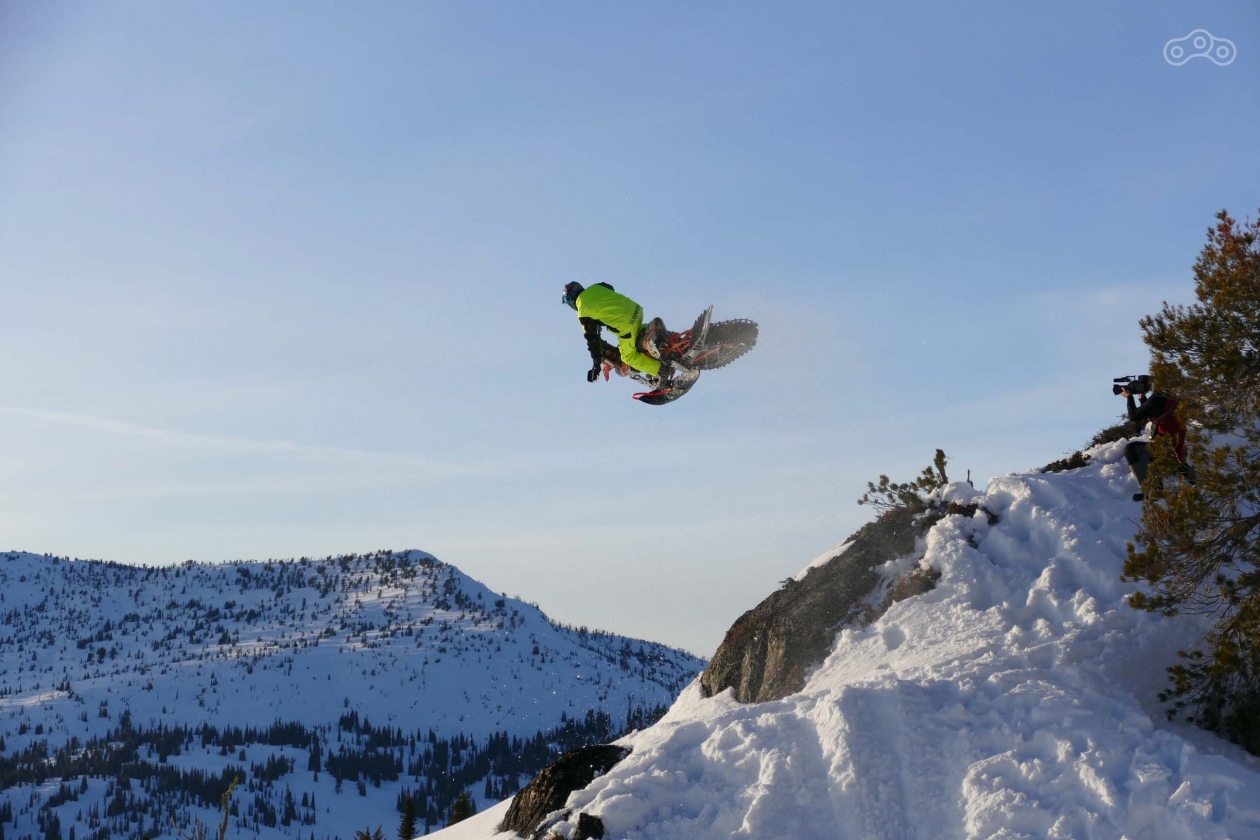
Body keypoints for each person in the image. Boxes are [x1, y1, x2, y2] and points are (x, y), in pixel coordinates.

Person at [561, 282, 676, 386]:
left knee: (628, 357)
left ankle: (661, 371)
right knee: (638, 336)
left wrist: (596, 368)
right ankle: (671, 341)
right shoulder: (595, 287)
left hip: (625, 325)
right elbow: (609, 287)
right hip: (637, 311)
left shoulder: (582, 312)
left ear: (570, 300)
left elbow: (592, 341)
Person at [1121, 384, 1194, 501]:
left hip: (1166, 450)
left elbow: (1134, 416)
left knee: (1131, 449)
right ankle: (1185, 470)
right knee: (1165, 455)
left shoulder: (1159, 397)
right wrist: (1143, 399)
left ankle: (1154, 489)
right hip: (1176, 448)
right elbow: (1154, 411)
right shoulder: (1172, 399)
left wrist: (1129, 397)